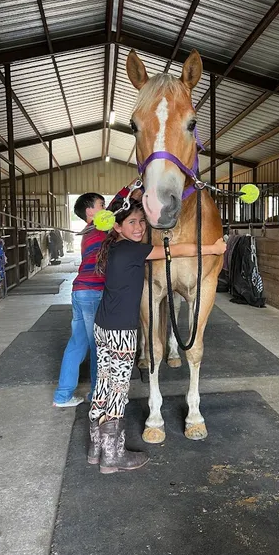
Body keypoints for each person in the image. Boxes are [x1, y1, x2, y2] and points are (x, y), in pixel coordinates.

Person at [87, 198, 226, 473]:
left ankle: (96, 448)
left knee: (103, 384)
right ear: (118, 227)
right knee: (117, 390)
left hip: (102, 327)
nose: (139, 227)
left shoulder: (115, 248)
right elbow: (175, 249)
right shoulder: (136, 252)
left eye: (142, 222)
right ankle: (113, 457)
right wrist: (212, 248)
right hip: (121, 334)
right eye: (132, 223)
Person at [52, 187, 130, 408]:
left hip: (79, 292)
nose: (106, 208)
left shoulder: (89, 231)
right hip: (93, 293)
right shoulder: (99, 225)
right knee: (98, 345)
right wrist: (128, 189)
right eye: (101, 205)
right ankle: (98, 394)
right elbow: (117, 205)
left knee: (77, 343)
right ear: (90, 212)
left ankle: (63, 395)